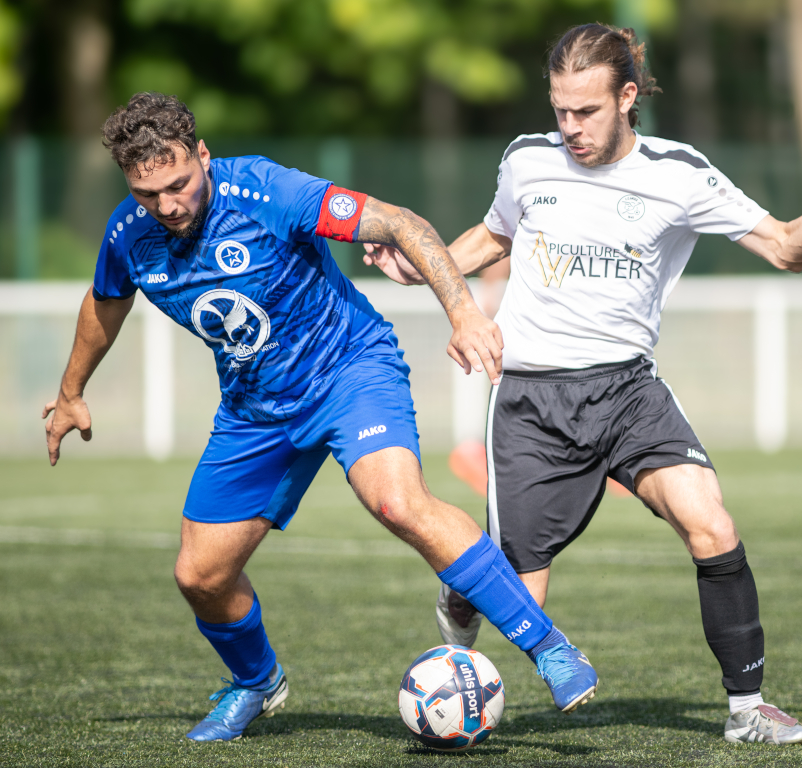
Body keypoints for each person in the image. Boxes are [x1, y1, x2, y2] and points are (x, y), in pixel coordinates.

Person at [363, 23, 802, 745]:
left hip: (629, 394)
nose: (570, 127)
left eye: (586, 111)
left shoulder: (680, 174)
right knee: (519, 591)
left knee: (711, 523)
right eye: (560, 110)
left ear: (627, 96)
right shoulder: (527, 160)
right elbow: (493, 237)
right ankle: (464, 595)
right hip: (533, 403)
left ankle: (748, 709)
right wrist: (421, 265)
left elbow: (787, 248)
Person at [41, 92, 599, 743]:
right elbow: (105, 302)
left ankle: (551, 648)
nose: (166, 205)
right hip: (255, 409)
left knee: (397, 502)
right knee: (200, 575)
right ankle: (256, 683)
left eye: (178, 184)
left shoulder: (267, 191)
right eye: (147, 193)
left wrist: (465, 313)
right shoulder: (129, 235)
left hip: (348, 370)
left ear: (203, 156)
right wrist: (72, 390)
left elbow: (401, 224)